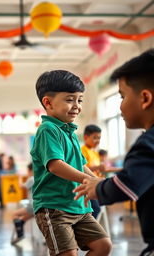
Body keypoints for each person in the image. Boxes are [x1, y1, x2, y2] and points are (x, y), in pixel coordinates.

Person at [74, 49, 154, 256]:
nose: (120, 106)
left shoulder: (148, 143)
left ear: (145, 98)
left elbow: (128, 184)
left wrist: (98, 187)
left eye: (123, 96)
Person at [30, 70, 112, 256]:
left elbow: (81, 165)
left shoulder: (70, 132)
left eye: (80, 100)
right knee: (68, 253)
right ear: (48, 102)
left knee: (103, 245)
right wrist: (87, 180)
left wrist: (98, 183)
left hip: (79, 207)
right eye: (69, 99)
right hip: (55, 207)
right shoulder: (47, 129)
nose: (77, 106)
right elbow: (55, 165)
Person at [81, 124, 105, 218]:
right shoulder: (83, 151)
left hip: (96, 183)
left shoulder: (95, 153)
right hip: (87, 184)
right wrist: (97, 168)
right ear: (86, 137)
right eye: (95, 138)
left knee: (99, 206)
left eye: (99, 138)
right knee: (95, 208)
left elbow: (100, 169)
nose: (98, 141)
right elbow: (82, 168)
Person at [11, 163, 34, 245]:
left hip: (32, 205)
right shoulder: (39, 177)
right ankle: (20, 228)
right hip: (38, 205)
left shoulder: (32, 178)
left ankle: (20, 235)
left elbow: (21, 186)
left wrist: (19, 177)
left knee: (14, 214)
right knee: (22, 219)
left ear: (30, 170)